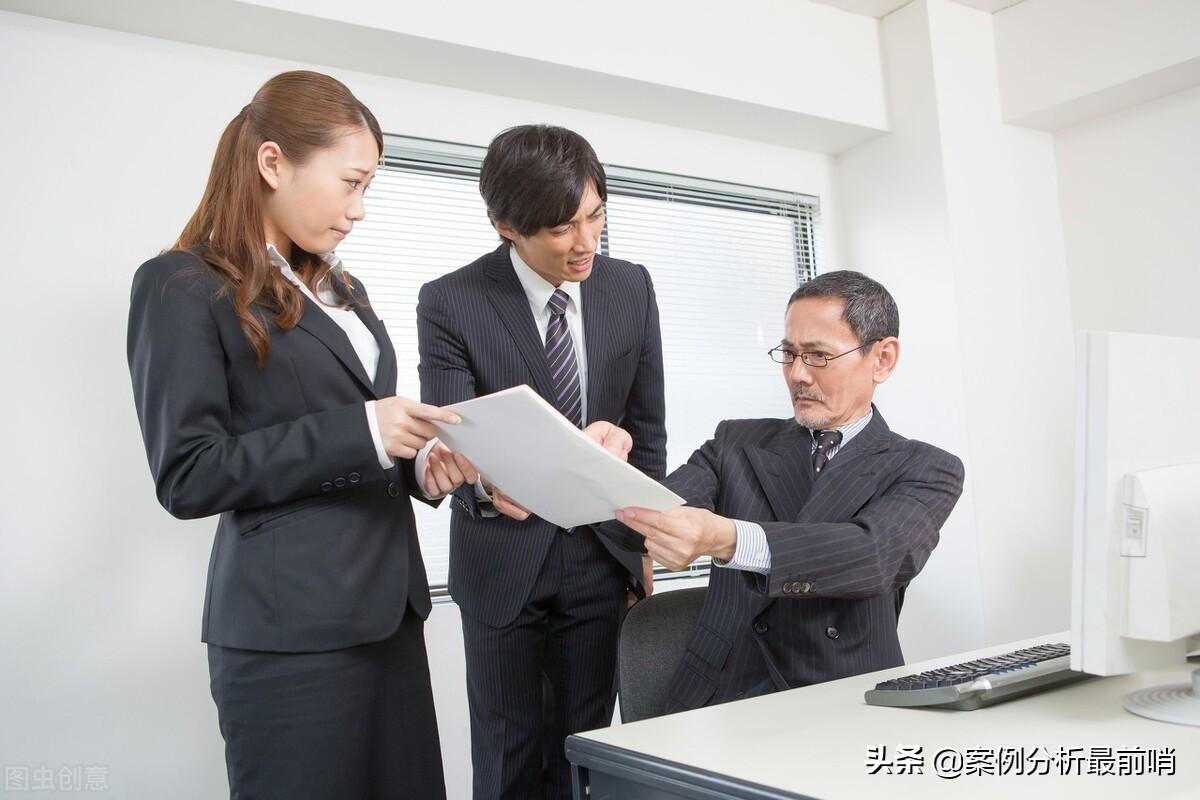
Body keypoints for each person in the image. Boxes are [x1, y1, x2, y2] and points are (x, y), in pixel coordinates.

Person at [126, 70, 473, 799]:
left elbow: (360, 428)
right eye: (351, 183)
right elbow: (188, 473)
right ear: (272, 162)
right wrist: (363, 432)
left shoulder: (344, 289)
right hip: (290, 637)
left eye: (367, 187)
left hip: (390, 621)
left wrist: (420, 464)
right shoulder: (180, 284)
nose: (359, 209)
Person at [415, 124, 667, 799]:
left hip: (601, 557)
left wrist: (643, 540)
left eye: (595, 215)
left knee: (585, 758)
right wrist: (482, 484)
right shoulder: (451, 301)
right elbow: (453, 435)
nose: (586, 243)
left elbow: (648, 428)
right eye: (561, 228)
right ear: (507, 226)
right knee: (510, 762)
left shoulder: (631, 287)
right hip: (503, 558)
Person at [612, 270, 965, 712]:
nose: (798, 375)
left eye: (818, 356)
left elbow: (873, 556)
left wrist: (728, 538)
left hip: (848, 699)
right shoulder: (736, 443)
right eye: (789, 354)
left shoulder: (926, 467)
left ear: (882, 358)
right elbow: (642, 520)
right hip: (721, 696)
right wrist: (603, 461)